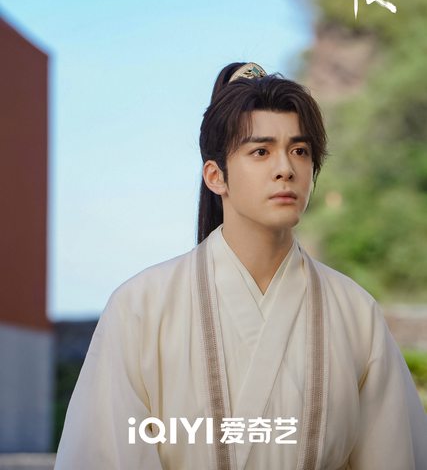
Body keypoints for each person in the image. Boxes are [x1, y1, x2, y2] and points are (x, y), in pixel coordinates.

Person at [54, 62, 427, 470]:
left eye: (300, 151)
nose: (285, 168)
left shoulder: (355, 313)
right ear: (216, 176)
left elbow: (394, 456)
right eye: (261, 151)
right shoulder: (141, 307)